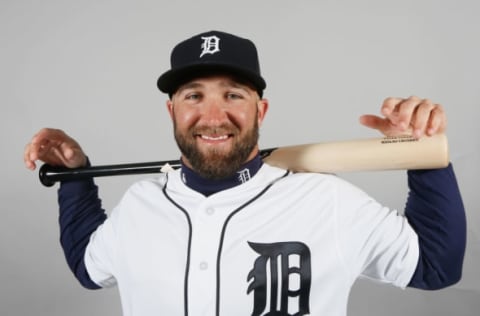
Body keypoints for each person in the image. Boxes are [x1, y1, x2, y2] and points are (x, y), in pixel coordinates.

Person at [24, 30, 466, 316]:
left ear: (262, 109)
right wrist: (75, 176)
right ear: (172, 110)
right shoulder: (140, 204)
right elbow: (88, 266)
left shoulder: (325, 201)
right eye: (193, 95)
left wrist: (420, 154)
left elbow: (434, 266)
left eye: (233, 94)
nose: (213, 116)